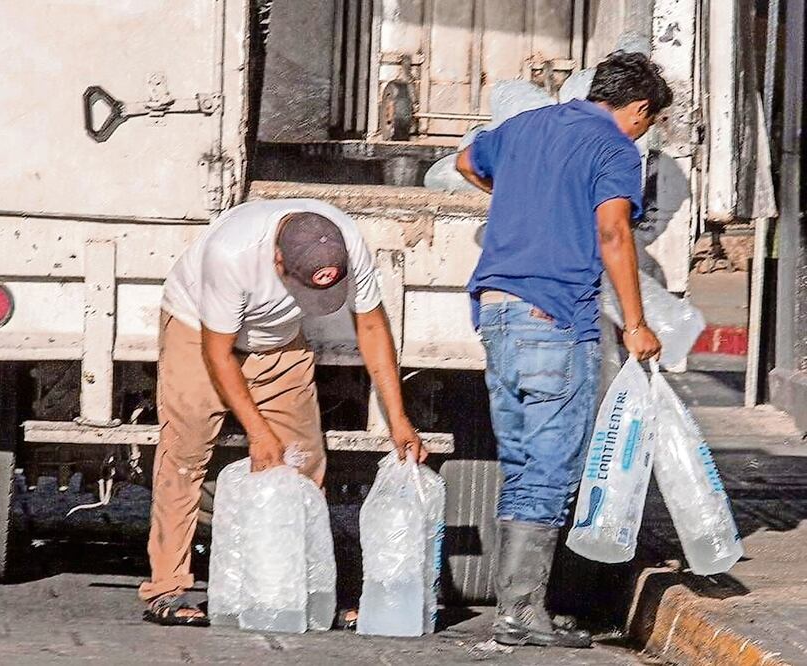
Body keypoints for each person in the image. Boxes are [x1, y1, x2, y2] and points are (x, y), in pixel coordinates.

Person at [456, 52, 672, 648]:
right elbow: (612, 232)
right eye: (646, 122)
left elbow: (465, 161)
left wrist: (522, 196)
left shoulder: (526, 126)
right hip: (554, 315)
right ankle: (520, 615)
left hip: (496, 312)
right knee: (549, 469)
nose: (642, 132)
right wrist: (636, 323)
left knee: (522, 462)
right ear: (638, 109)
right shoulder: (614, 149)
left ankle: (516, 611)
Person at [139, 198, 426, 626]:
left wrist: (398, 418)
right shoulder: (231, 254)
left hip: (279, 340)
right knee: (185, 457)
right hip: (198, 331)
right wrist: (257, 431)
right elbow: (218, 354)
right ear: (278, 260)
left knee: (305, 462)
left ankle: (310, 590)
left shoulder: (345, 239)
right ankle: (166, 587)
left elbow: (370, 325)